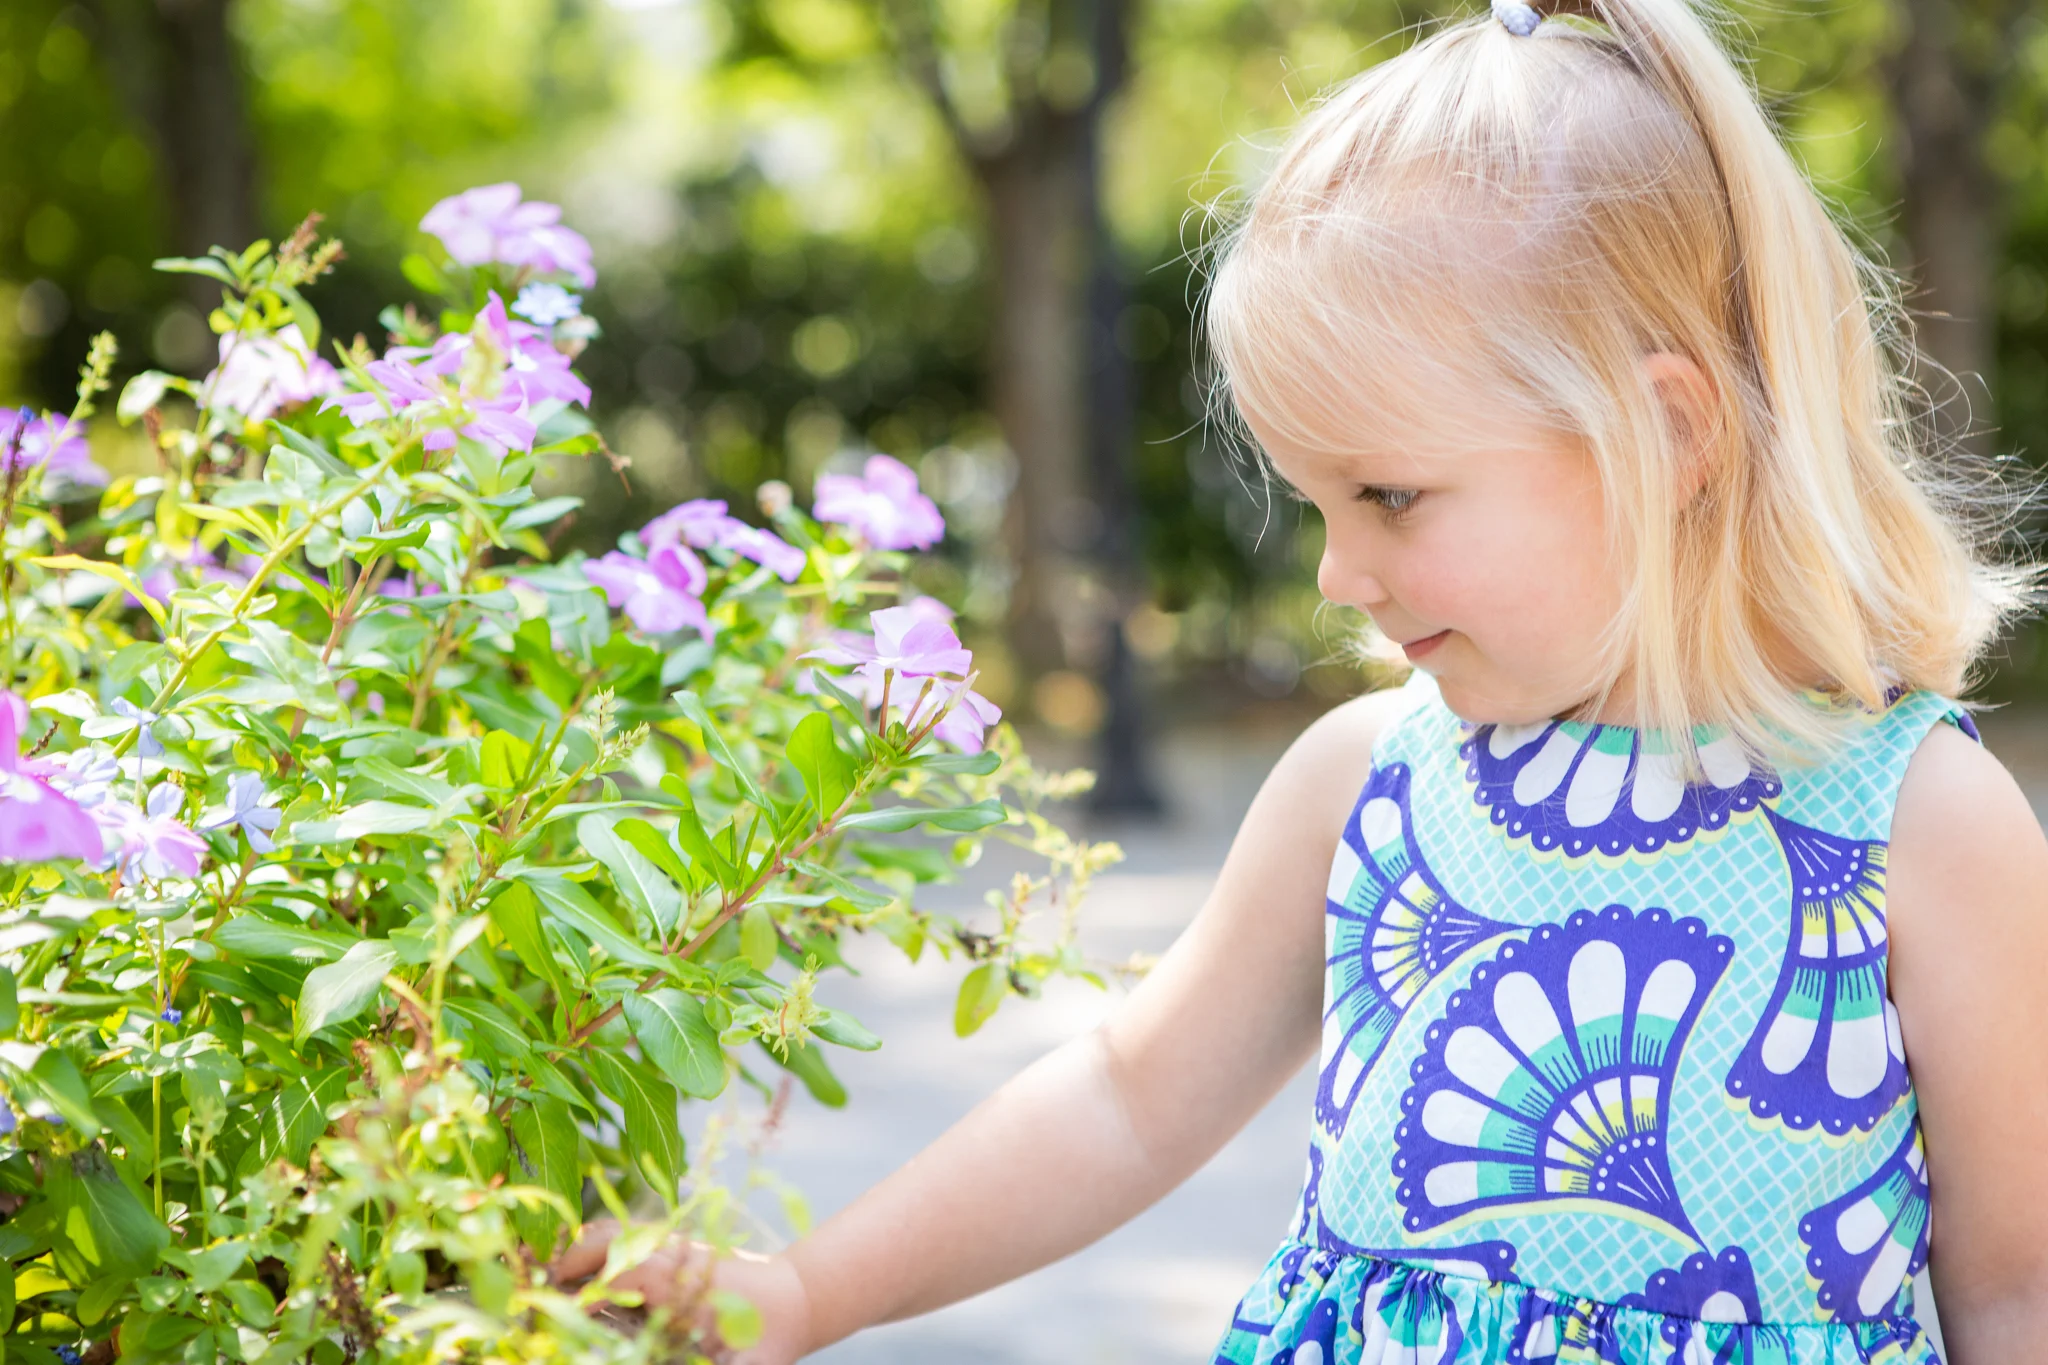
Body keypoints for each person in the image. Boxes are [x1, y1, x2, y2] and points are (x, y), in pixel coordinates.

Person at [554, 0, 2048, 1358]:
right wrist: (814, 1292)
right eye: (1316, 505)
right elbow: (1130, 1095)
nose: (1338, 573)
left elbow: (2018, 1286)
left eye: (1390, 497)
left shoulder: (1916, 823)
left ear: (1661, 435)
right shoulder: (1371, 778)